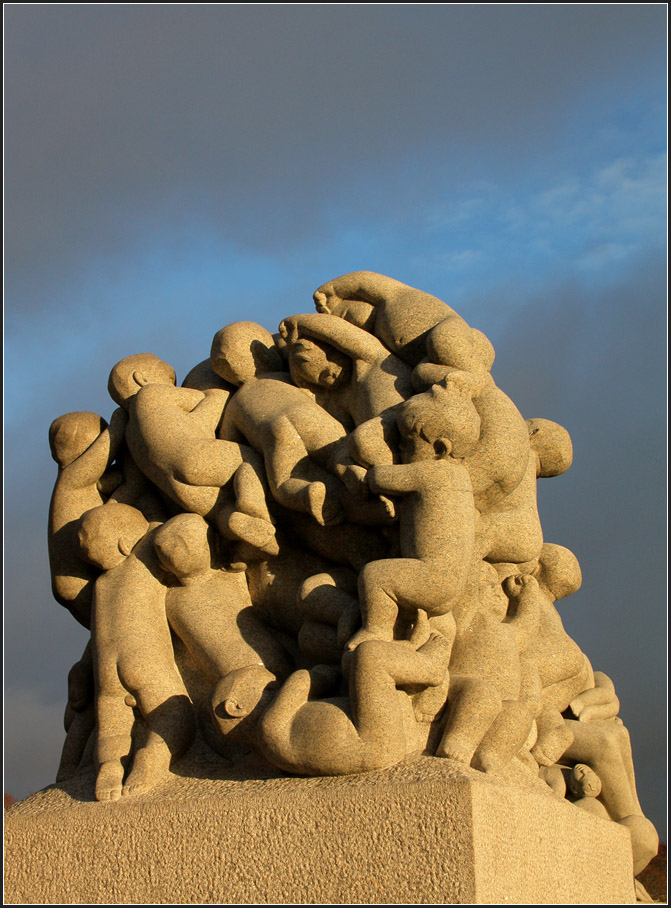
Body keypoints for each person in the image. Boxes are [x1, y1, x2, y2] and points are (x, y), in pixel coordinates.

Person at [108, 352, 278, 563]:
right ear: (140, 378)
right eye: (166, 372)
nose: (175, 382)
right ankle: (252, 508)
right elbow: (202, 404)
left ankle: (239, 536)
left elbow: (134, 484)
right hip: (193, 455)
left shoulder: (130, 434)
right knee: (246, 460)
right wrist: (219, 394)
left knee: (221, 509)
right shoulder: (151, 393)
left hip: (177, 488)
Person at [48, 408, 127, 627]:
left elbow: (112, 479)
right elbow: (105, 453)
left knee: (105, 628)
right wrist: (120, 420)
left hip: (71, 579)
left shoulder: (74, 484)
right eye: (98, 436)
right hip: (78, 579)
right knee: (114, 622)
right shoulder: (72, 477)